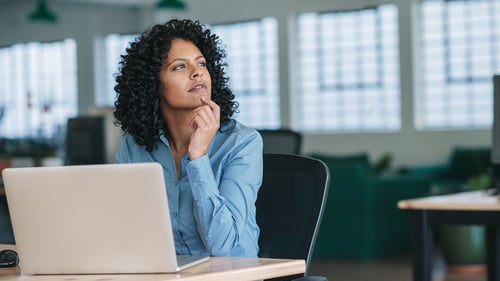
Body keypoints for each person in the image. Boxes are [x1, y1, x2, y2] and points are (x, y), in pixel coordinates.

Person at [113, 19, 262, 258]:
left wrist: (199, 156)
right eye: (179, 67)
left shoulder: (242, 142)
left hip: (230, 273)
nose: (197, 72)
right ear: (153, 85)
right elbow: (119, 226)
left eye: (201, 63)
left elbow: (223, 245)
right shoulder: (133, 145)